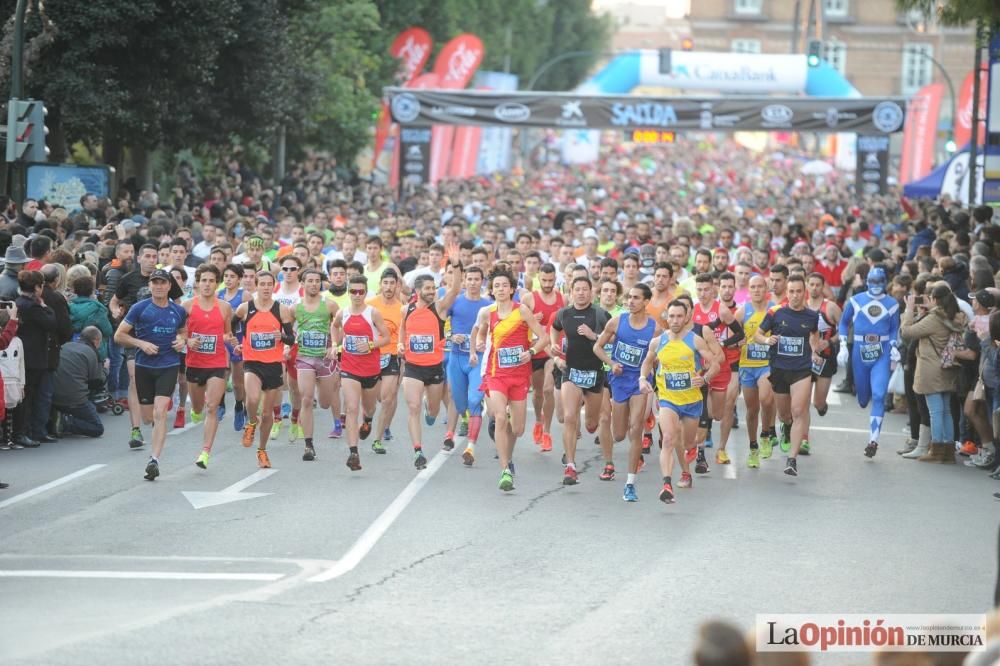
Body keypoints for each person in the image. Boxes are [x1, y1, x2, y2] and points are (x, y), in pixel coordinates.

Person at [470, 268, 548, 491]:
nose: (501, 289)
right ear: (492, 290)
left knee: (519, 428)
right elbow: (480, 331)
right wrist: (480, 344)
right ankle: (505, 470)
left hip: (520, 375)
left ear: (512, 289)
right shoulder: (487, 312)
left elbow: (542, 338)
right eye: (496, 286)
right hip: (496, 374)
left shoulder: (522, 311)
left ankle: (508, 456)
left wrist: (531, 353)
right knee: (500, 418)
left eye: (505, 285)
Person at [639, 300, 718, 503]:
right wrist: (642, 378)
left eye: (679, 316)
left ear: (686, 318)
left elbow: (715, 363)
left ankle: (686, 472)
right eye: (671, 316)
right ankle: (667, 484)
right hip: (668, 399)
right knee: (668, 439)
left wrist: (705, 377)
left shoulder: (695, 340)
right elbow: (647, 362)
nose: (674, 320)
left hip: (692, 401)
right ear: (667, 317)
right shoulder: (658, 342)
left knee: (688, 442)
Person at [114, 269, 188, 481]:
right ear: (150, 285)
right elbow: (119, 335)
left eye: (162, 283)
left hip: (168, 365)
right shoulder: (139, 308)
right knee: (148, 418)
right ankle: (156, 434)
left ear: (168, 286)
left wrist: (182, 340)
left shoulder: (178, 311)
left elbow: (184, 331)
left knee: (160, 412)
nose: (158, 286)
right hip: (144, 367)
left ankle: (154, 459)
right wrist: (141, 343)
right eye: (154, 282)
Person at [398, 244, 462, 470]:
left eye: (433, 287)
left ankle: (430, 408)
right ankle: (418, 451)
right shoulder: (407, 310)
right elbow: (403, 330)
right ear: (417, 291)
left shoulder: (440, 308)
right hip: (413, 367)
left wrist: (455, 264)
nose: (432, 290)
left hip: (435, 367)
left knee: (432, 411)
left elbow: (455, 289)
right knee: (412, 407)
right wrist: (400, 344)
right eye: (427, 288)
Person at [594, 283, 658, 501]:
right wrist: (612, 363)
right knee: (619, 434)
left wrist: (652, 366)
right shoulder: (617, 321)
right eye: (629, 297)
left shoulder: (654, 328)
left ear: (646, 302)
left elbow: (661, 356)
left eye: (636, 298)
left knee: (636, 428)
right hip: (620, 381)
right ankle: (629, 419)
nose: (630, 301)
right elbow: (597, 347)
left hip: (640, 382)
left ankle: (630, 483)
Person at [754, 275, 821, 477]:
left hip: (802, 369)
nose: (794, 295)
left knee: (799, 410)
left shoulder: (811, 316)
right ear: (787, 292)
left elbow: (815, 334)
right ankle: (786, 426)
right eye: (791, 291)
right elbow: (757, 335)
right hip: (779, 369)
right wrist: (766, 341)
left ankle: (792, 460)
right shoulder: (775, 313)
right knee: (785, 414)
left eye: (798, 291)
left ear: (804, 292)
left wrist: (814, 351)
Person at [550, 276, 611, 485]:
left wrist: (594, 335)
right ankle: (571, 467)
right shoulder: (564, 313)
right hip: (571, 371)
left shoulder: (600, 313)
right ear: (571, 291)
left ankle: (590, 425)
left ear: (591, 292)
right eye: (577, 289)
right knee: (569, 417)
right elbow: (554, 327)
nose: (581, 293)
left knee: (592, 423)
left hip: (595, 373)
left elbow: (612, 336)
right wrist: (554, 347)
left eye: (585, 289)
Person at [234, 271, 295, 469]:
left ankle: (262, 450)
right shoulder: (245, 308)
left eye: (270, 284)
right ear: (256, 285)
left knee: (268, 414)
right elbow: (232, 325)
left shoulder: (281, 310)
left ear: (273, 287)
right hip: (252, 361)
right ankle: (251, 423)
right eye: (263, 284)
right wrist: (238, 342)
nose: (266, 288)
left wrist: (281, 337)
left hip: (274, 364)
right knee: (251, 399)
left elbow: (291, 339)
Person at [900, 283, 967, 463]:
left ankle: (936, 449)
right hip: (949, 367)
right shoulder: (957, 316)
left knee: (935, 412)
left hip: (931, 368)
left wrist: (909, 309)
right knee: (946, 411)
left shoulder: (935, 319)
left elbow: (907, 332)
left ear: (935, 299)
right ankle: (947, 451)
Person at [835, 266, 898, 458]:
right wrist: (843, 345)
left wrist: (894, 346)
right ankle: (864, 393)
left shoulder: (893, 304)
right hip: (860, 351)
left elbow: (895, 328)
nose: (876, 285)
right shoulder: (855, 301)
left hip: (882, 351)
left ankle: (873, 440)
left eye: (880, 281)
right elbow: (844, 323)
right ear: (867, 282)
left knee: (879, 396)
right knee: (862, 400)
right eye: (873, 281)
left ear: (885, 282)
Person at [334, 275, 389, 470]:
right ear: (349, 293)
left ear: (366, 293)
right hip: (349, 367)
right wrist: (334, 345)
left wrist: (371, 344)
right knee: (351, 408)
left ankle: (368, 420)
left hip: (371, 370)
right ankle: (353, 453)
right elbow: (334, 326)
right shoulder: (343, 313)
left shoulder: (373, 313)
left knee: (369, 408)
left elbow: (387, 338)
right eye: (353, 291)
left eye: (361, 292)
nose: (357, 295)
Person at [182, 265, 235, 469]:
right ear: (197, 282)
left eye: (211, 281)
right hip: (195, 363)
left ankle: (205, 452)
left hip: (217, 362)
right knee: (198, 407)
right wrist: (187, 341)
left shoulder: (224, 307)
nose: (207, 284)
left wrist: (233, 344)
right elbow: (179, 334)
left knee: (212, 407)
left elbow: (227, 334)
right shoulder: (187, 306)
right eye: (203, 280)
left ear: (217, 283)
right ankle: (195, 410)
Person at [111, 243, 161, 449]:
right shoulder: (128, 279)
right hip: (134, 336)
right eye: (147, 256)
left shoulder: (162, 279)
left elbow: (176, 302)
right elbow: (114, 301)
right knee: (134, 379)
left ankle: (155, 415)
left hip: (160, 336)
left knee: (157, 379)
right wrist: (115, 311)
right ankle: (135, 430)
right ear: (139, 258)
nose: (150, 260)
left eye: (154, 256)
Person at [445, 266, 492, 464]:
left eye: (476, 279)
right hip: (456, 358)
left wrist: (485, 341)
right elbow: (439, 324)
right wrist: (450, 335)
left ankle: (470, 447)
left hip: (478, 360)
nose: (472, 282)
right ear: (464, 281)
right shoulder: (455, 302)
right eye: (469, 279)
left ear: (482, 282)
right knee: (459, 401)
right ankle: (456, 425)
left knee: (474, 400)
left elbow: (497, 331)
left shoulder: (489, 306)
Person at [294, 268, 340, 462]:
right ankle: (308, 445)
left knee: (325, 403)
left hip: (325, 360)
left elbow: (341, 326)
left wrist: (336, 346)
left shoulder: (330, 305)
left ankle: (328, 407)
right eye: (309, 281)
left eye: (316, 281)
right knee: (306, 399)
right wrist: (289, 345)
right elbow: (287, 329)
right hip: (304, 358)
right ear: (302, 284)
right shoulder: (295, 308)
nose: (313, 284)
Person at [520, 263, 563, 453]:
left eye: (551, 280)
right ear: (538, 278)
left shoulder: (563, 298)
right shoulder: (529, 298)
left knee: (547, 390)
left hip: (551, 352)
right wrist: (530, 320)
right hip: (534, 350)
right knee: (537, 393)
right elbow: (518, 323)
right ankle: (538, 420)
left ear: (555, 278)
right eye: (544, 280)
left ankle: (547, 432)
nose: (547, 284)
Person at [735, 275, 776, 467]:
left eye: (760, 286)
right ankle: (753, 448)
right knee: (752, 410)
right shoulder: (742, 312)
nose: (757, 290)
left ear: (766, 288)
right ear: (748, 290)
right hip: (747, 365)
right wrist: (737, 342)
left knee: (766, 399)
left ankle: (766, 434)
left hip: (767, 364)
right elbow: (732, 337)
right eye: (753, 287)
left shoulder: (774, 309)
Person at [13, 270, 57, 447]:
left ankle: (23, 431)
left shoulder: (18, 303)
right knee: (28, 396)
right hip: (33, 357)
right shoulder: (34, 306)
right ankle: (22, 432)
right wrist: (46, 307)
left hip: (21, 355)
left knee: (25, 395)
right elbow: (51, 323)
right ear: (37, 288)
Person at [368, 268, 404, 454]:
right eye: (386, 283)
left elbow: (406, 333)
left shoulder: (402, 309)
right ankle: (367, 419)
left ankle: (377, 440)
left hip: (392, 356)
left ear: (397, 285)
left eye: (392, 283)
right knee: (371, 400)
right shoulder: (370, 305)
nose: (389, 287)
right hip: (372, 355)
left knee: (387, 398)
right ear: (380, 284)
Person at [52, 326, 106, 438]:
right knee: (97, 428)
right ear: (96, 340)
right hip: (75, 400)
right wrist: (105, 370)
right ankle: (66, 423)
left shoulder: (65, 346)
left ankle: (58, 418)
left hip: (53, 396)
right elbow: (97, 382)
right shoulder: (91, 352)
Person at [806, 272, 842, 418]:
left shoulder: (831, 307)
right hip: (805, 359)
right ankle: (802, 436)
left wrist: (829, 341)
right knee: (802, 404)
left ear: (823, 287)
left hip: (826, 358)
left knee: (818, 404)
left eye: (818, 285)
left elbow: (845, 330)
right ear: (807, 286)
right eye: (811, 284)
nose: (814, 288)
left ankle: (822, 406)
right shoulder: (801, 306)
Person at [219, 264, 250, 430]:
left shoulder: (244, 295)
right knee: (221, 374)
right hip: (223, 340)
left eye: (232, 276)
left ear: (239, 279)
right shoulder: (218, 295)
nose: (228, 279)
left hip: (237, 341)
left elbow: (251, 320)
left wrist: (235, 315)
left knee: (238, 383)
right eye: (226, 276)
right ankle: (220, 403)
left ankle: (239, 405)